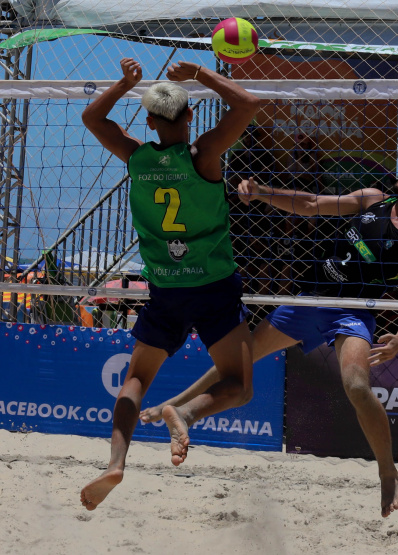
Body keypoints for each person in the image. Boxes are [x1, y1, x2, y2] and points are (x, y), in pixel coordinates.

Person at [141, 152, 398, 518]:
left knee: (356, 386)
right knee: (242, 358)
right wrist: (261, 192)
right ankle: (179, 407)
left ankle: (387, 472)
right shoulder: (374, 198)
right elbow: (311, 204)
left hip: (353, 312)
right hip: (310, 299)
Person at [79, 57, 260, 510]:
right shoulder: (203, 155)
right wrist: (199, 74)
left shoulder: (137, 156)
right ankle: (185, 412)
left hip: (165, 288)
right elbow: (248, 103)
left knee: (135, 380)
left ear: (149, 121)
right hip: (214, 285)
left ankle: (116, 462)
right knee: (238, 385)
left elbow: (92, 117)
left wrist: (125, 82)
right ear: (190, 115)